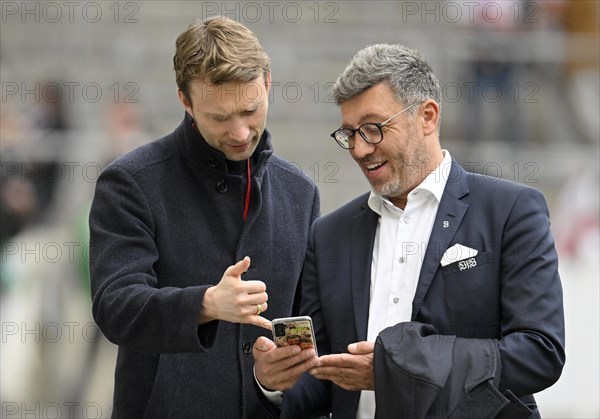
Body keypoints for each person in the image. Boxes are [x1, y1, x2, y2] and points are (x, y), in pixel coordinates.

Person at [253, 44, 565, 418]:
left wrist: (394, 368)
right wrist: (272, 383)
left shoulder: (511, 210)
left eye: (373, 129)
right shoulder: (329, 235)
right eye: (349, 133)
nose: (359, 149)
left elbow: (539, 353)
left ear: (428, 116)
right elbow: (322, 381)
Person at [89, 16, 320, 418]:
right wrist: (207, 303)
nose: (241, 132)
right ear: (185, 100)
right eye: (218, 118)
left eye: (251, 110)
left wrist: (273, 382)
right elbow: (116, 306)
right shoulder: (130, 182)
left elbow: (311, 327)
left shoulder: (301, 191)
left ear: (268, 83)